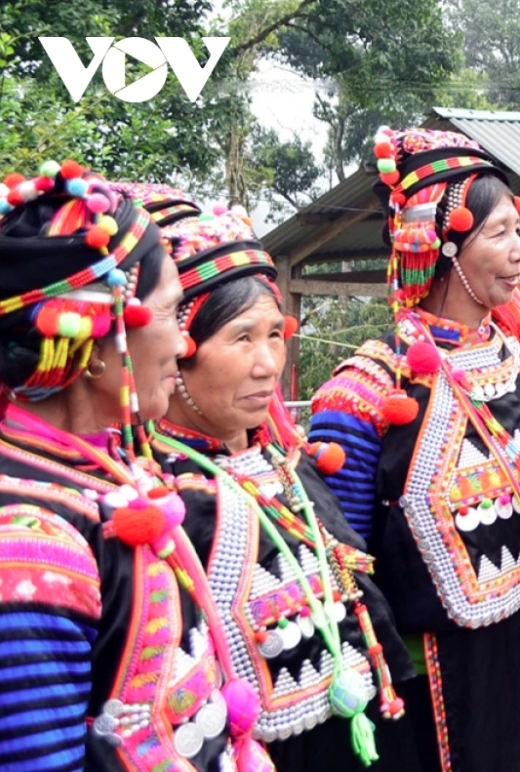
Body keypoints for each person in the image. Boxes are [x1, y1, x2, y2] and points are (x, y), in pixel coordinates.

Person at [308, 127, 520, 772]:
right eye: (499, 234)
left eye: (517, 231)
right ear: (445, 245)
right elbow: (345, 573)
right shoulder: (366, 392)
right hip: (444, 691)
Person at [112, 184, 421, 772]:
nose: (268, 364)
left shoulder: (290, 463)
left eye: (274, 334)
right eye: (242, 338)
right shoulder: (156, 503)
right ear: (179, 349)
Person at [0, 165, 273, 770]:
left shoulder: (101, 468)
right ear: (103, 341)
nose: (182, 344)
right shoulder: (31, 547)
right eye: (174, 314)